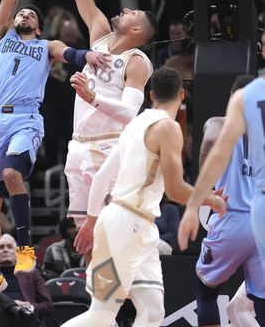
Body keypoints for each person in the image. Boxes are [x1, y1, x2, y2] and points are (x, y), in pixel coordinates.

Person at [0, 0, 111, 307]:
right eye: (20, 12)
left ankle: (25, 247)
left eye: (30, 14)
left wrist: (88, 56)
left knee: (12, 174)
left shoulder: (46, 46)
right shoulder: (0, 35)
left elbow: (70, 53)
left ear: (38, 24)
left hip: (25, 119)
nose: (23, 13)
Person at [61, 67, 226, 327]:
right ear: (182, 95)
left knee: (152, 310)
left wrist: (92, 222)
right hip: (126, 223)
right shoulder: (168, 127)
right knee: (101, 315)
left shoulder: (133, 124)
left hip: (137, 226)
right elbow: (175, 191)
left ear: (151, 94)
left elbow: (103, 177)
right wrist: (211, 199)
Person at [52, 0, 158, 261]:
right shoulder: (98, 36)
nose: (124, 8)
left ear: (137, 29)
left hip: (110, 146)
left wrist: (91, 96)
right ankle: (100, 310)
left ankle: (124, 301)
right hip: (78, 144)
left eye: (133, 11)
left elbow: (130, 113)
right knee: (83, 236)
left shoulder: (136, 60)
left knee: (110, 226)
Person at [181, 74, 265, 326]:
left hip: (233, 218)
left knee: (206, 295)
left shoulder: (221, 122)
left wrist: (206, 190)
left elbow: (208, 140)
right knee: (259, 300)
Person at [0, 233, 53, 327]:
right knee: (0, 310)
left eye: (10, 247)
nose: (5, 250)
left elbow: (48, 306)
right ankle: (11, 306)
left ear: (17, 254)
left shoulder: (31, 273)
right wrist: (13, 304)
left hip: (25, 320)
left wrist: (28, 307)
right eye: (1, 247)